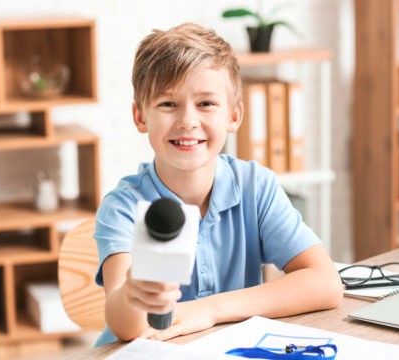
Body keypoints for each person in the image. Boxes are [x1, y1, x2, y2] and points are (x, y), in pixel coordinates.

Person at [93, 22, 343, 347]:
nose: (188, 121)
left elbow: (325, 283)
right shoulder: (126, 205)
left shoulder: (255, 186)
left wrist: (209, 310)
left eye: (206, 104)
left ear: (234, 116)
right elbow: (126, 325)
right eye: (168, 104)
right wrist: (133, 293)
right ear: (141, 117)